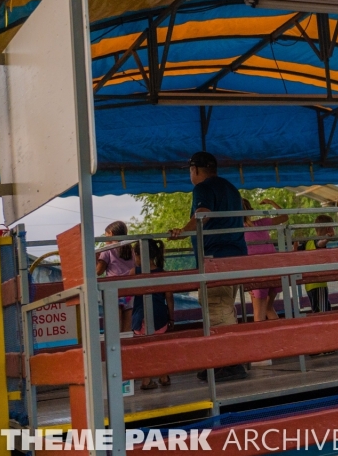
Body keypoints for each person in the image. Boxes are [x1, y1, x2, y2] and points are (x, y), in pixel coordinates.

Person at [169, 151, 248, 382]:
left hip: (216, 256)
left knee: (216, 307)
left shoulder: (202, 188)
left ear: (195, 169)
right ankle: (222, 361)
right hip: (236, 254)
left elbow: (203, 215)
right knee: (223, 306)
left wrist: (182, 231)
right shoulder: (231, 188)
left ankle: (230, 363)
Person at [131, 240, 174, 389]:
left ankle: (146, 379)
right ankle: (163, 376)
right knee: (159, 348)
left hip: (139, 316)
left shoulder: (133, 273)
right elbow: (169, 297)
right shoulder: (163, 274)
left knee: (143, 349)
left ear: (137, 254)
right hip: (159, 316)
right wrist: (171, 317)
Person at [243, 198, 289, 322]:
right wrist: (271, 202)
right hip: (273, 270)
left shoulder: (238, 231)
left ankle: (262, 339)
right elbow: (284, 217)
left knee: (259, 314)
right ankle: (281, 336)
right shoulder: (261, 223)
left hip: (258, 273)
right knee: (268, 308)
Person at [96, 221, 135, 333]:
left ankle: (117, 349)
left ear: (111, 234)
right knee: (127, 326)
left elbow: (98, 271)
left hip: (113, 291)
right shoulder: (131, 250)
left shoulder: (107, 250)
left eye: (106, 235)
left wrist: (96, 260)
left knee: (115, 327)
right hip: (129, 290)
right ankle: (127, 348)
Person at [304, 215, 335, 314]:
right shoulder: (317, 241)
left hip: (309, 285)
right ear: (328, 228)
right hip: (319, 283)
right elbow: (320, 243)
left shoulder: (307, 242)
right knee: (322, 311)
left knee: (320, 308)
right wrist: (327, 238)